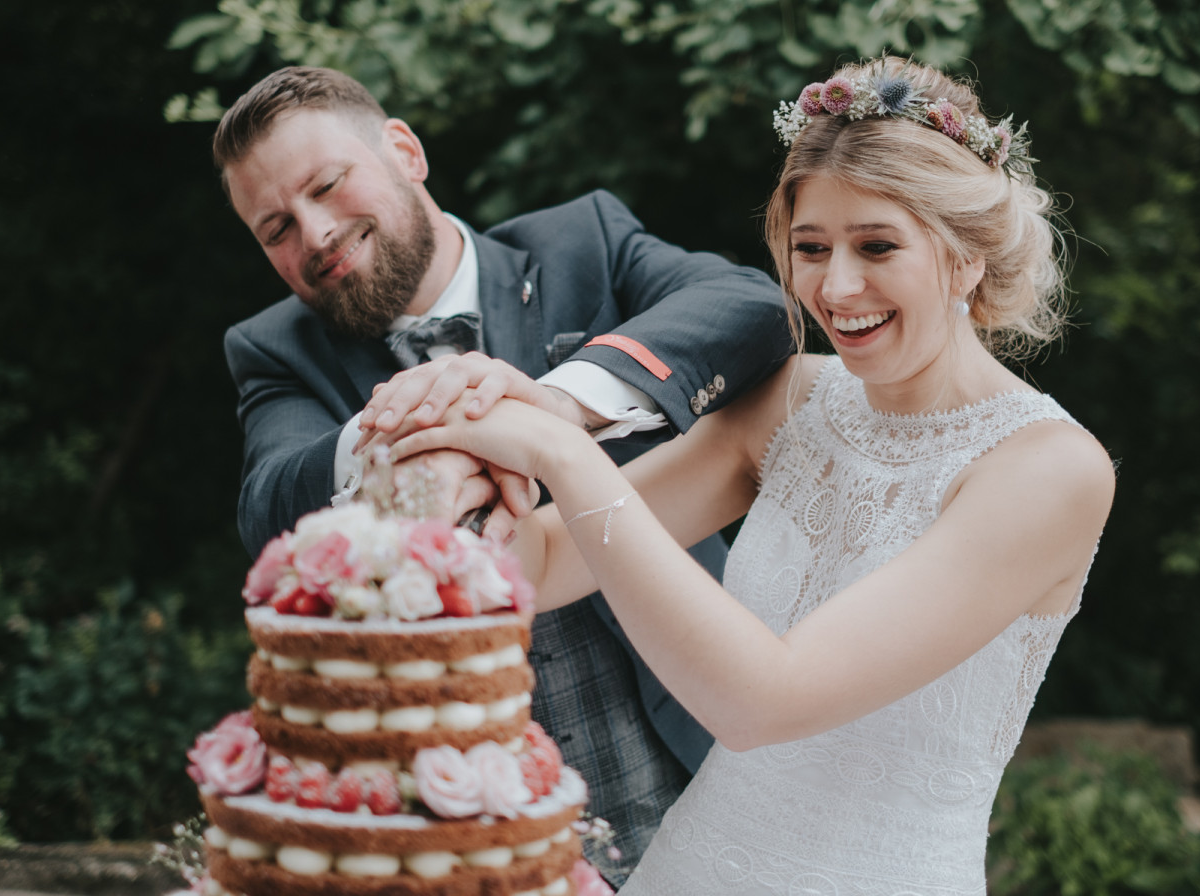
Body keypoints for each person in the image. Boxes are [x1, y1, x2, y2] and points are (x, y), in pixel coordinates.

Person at [360, 57, 1116, 893]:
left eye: (877, 246)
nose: (837, 286)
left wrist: (562, 449)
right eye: (811, 248)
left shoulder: (1048, 470)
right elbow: (538, 566)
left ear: (968, 257)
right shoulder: (791, 400)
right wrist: (451, 443)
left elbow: (764, 702)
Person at [213, 66, 794, 882]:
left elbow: (751, 307)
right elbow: (269, 505)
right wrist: (424, 436)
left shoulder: (583, 240)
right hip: (470, 831)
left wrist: (552, 407)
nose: (313, 234)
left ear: (405, 152)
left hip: (701, 750)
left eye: (327, 185)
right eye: (276, 227)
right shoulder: (273, 349)